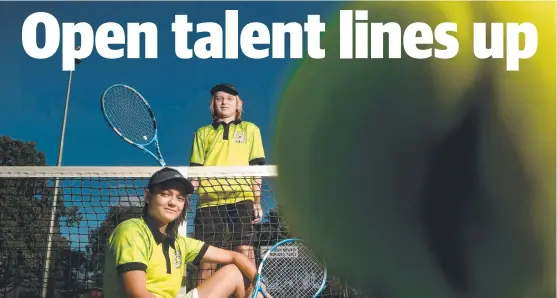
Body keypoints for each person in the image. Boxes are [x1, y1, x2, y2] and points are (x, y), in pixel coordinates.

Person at [102, 167, 264, 298]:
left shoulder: (179, 242)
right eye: (165, 194)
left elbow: (235, 257)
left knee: (234, 273)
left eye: (180, 198)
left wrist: (261, 287)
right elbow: (137, 293)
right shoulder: (131, 231)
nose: (173, 203)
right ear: (148, 196)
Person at [189, 83, 266, 284]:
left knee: (245, 251)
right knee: (207, 257)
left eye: (229, 98)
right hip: (208, 202)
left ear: (238, 104)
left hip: (242, 198)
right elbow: (195, 174)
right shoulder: (202, 133)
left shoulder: (251, 129)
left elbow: (256, 169)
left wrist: (257, 201)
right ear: (213, 104)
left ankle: (252, 295)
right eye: (219, 98)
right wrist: (186, 195)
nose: (224, 102)